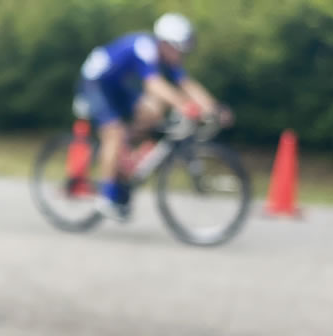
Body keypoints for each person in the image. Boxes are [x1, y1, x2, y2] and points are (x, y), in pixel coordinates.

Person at [72, 12, 233, 220]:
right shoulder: (144, 46)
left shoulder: (167, 56)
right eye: (179, 50)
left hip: (117, 87)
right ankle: (107, 196)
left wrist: (214, 107)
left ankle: (125, 157)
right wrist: (185, 105)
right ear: (167, 43)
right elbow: (154, 84)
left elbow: (187, 84)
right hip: (95, 84)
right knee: (114, 131)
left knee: (153, 113)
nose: (180, 56)